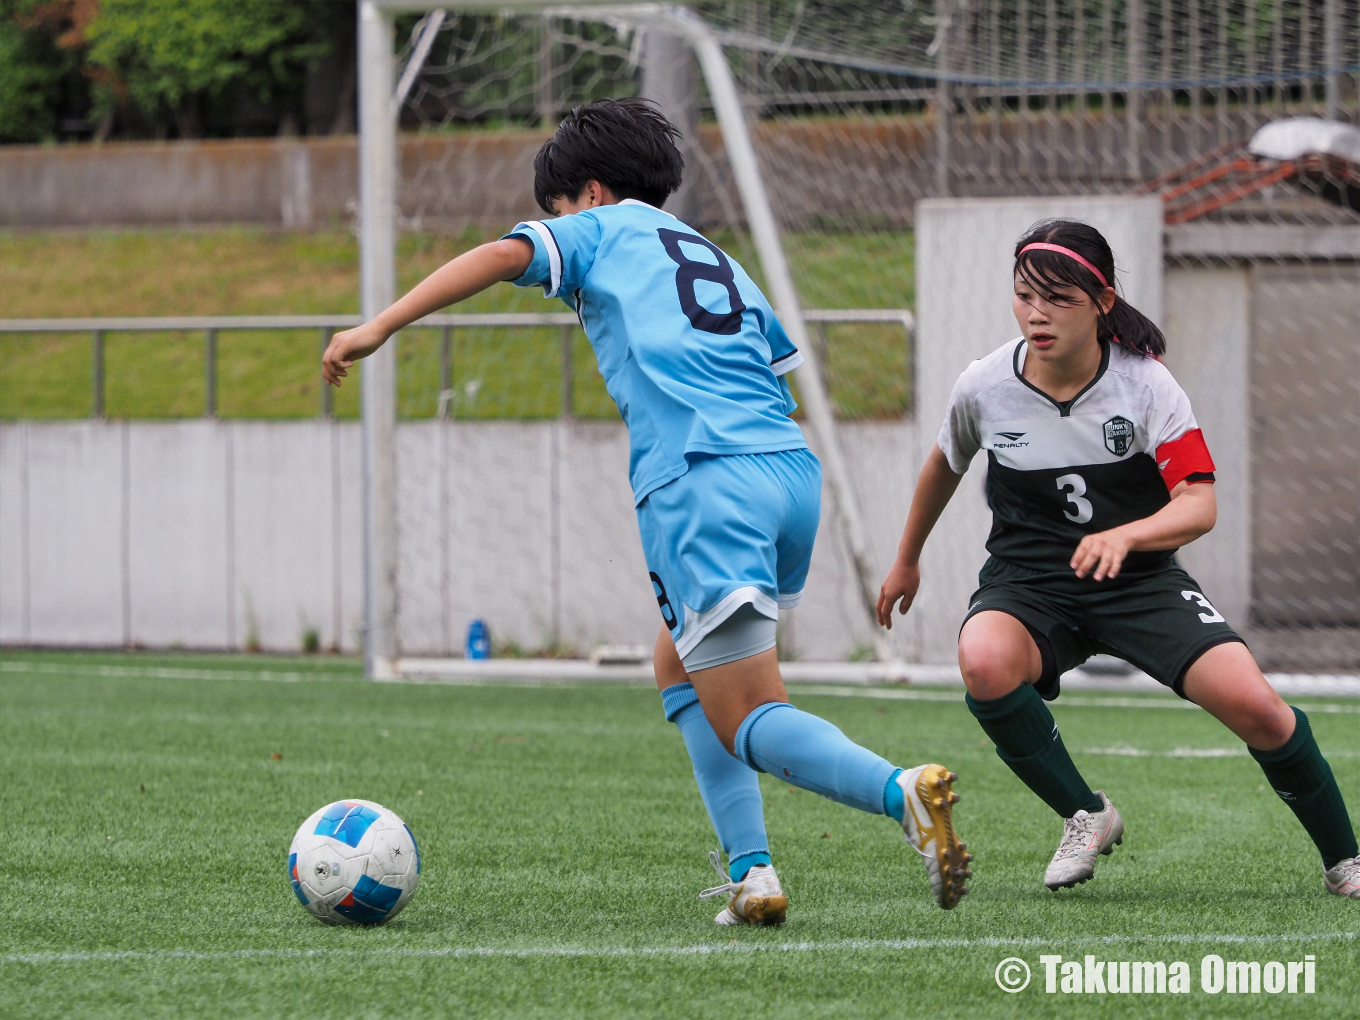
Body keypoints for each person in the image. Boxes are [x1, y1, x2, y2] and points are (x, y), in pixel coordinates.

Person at [322, 98, 972, 924]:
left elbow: (499, 254)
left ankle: (900, 794)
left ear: (588, 193)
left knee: (747, 716)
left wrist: (377, 326)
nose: (551, 223)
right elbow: (769, 364)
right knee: (679, 665)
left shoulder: (600, 228)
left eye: (554, 209)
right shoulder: (711, 253)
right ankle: (753, 873)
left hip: (702, 482)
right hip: (786, 472)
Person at [877, 218, 1359, 898]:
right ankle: (1085, 814)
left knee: (1259, 708)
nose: (1036, 314)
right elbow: (943, 465)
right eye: (1024, 296)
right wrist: (907, 559)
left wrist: (1127, 536)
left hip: (1140, 584)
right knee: (984, 661)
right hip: (1030, 585)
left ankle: (1346, 862)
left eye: (1059, 299)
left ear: (1102, 303)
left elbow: (1200, 503)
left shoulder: (1145, 384)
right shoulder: (984, 385)